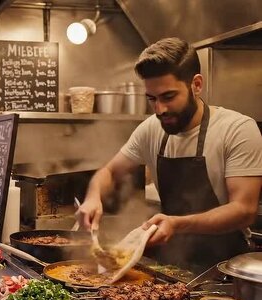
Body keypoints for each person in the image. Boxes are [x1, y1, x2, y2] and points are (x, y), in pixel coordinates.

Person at [76, 37, 262, 273]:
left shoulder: (237, 130)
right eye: (152, 99)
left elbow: (244, 210)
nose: (160, 109)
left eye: (168, 97)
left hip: (226, 268)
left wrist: (178, 224)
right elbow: (110, 172)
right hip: (173, 265)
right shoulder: (151, 128)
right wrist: (93, 197)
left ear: (196, 85)